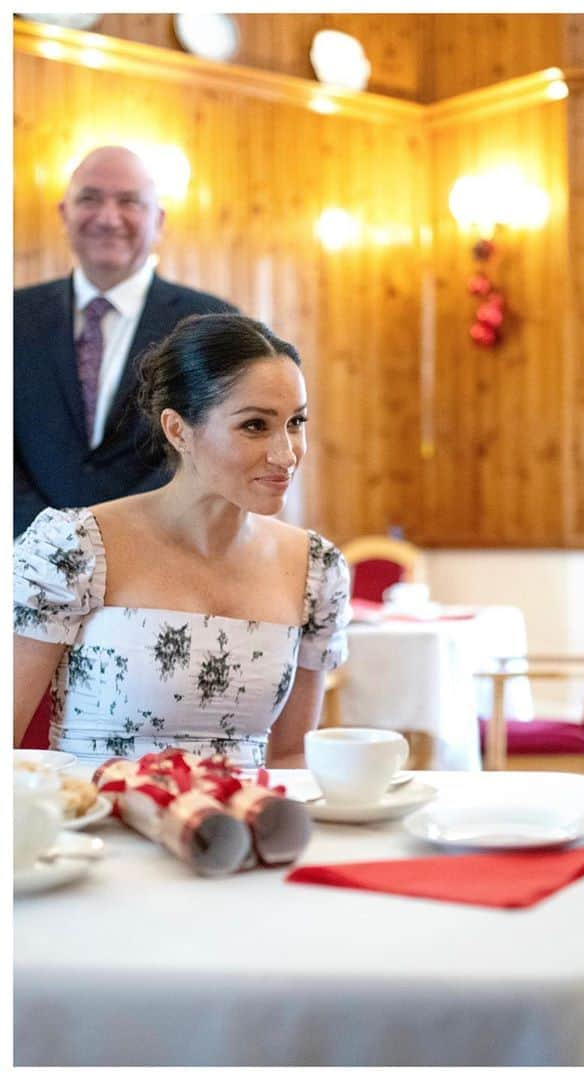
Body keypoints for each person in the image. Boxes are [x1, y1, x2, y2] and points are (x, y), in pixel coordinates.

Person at [13, 314, 351, 768]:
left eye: (296, 421)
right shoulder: (73, 549)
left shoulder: (317, 570)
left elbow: (291, 756)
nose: (285, 454)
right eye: (255, 425)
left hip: (240, 830)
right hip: (95, 826)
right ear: (178, 430)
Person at [14, 145, 236, 538]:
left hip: (162, 554)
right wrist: (51, 538)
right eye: (89, 199)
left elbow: (213, 444)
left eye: (129, 201)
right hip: (26, 558)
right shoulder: (13, 316)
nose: (108, 217)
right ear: (64, 214)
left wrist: (119, 536)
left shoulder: (211, 323)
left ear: (159, 220)